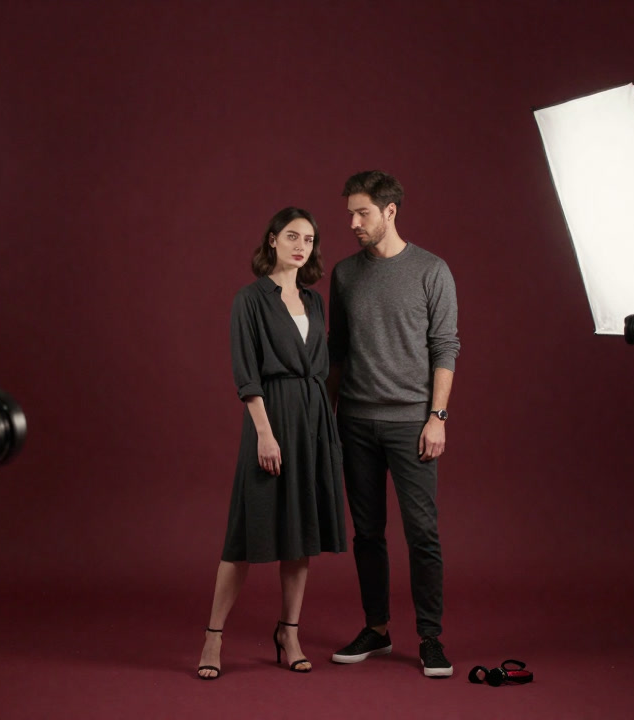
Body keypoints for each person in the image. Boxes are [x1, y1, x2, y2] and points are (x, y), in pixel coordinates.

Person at [196, 207, 347, 680]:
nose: (302, 246)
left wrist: (327, 425)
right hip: (272, 416)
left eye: (309, 239)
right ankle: (213, 636)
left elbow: (325, 367)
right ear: (273, 240)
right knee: (244, 535)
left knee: (301, 535)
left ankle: (289, 632)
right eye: (292, 236)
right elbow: (247, 373)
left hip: (314, 420)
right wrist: (265, 432)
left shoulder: (314, 300)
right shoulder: (250, 299)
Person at [326, 170, 460, 678]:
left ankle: (430, 638)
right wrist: (327, 418)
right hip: (355, 422)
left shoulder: (432, 270)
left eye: (362, 213)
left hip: (411, 424)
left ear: (390, 211)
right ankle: (377, 629)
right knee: (366, 533)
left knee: (422, 533)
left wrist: (437, 417)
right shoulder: (344, 273)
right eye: (350, 214)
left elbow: (445, 347)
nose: (353, 223)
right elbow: (337, 352)